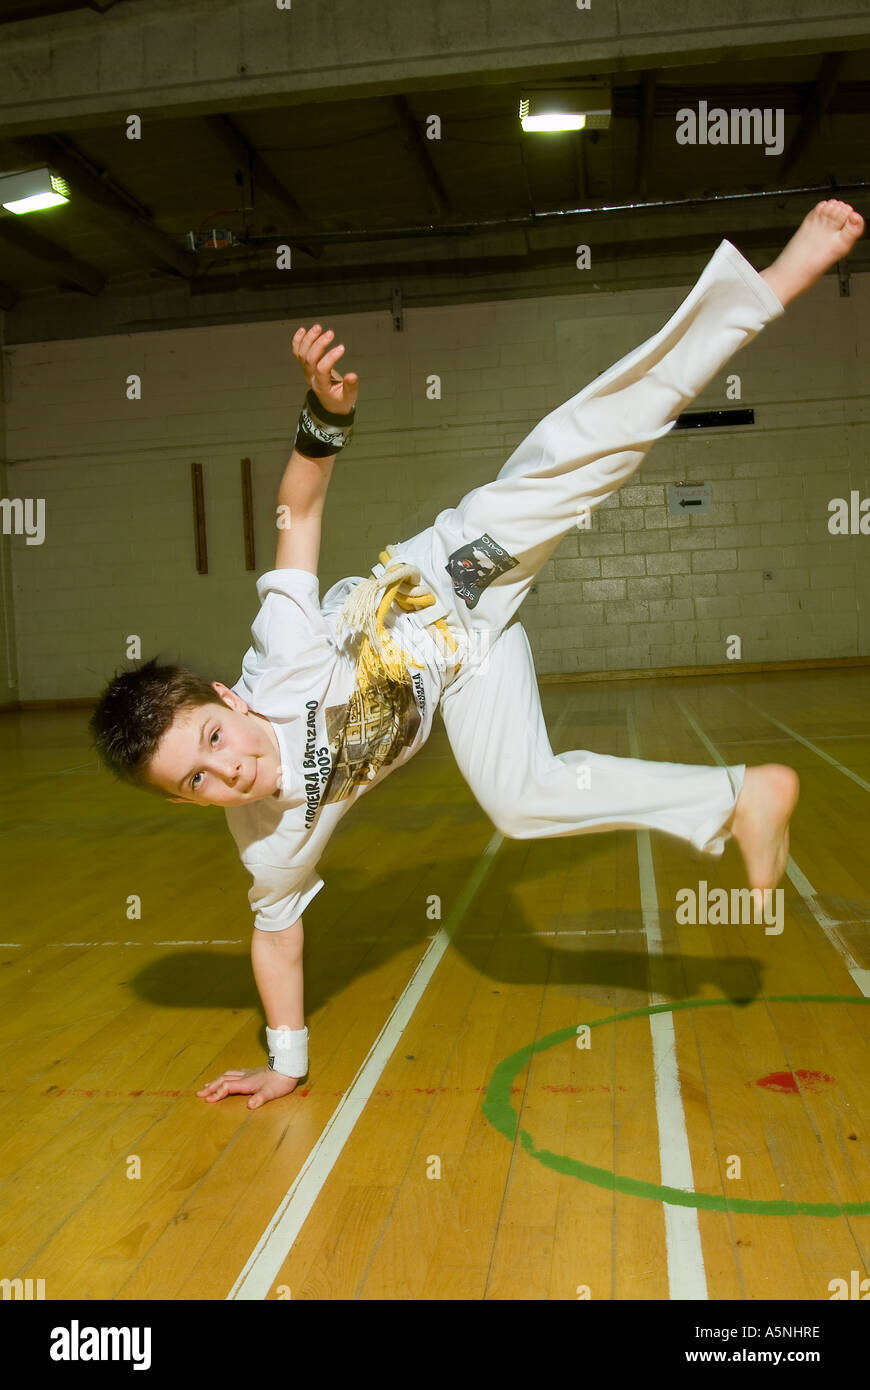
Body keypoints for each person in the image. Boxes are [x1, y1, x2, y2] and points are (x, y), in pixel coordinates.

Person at [88, 199, 864, 1110]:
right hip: (472, 674)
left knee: (587, 450)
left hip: (454, 582)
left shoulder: (283, 654)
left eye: (214, 738)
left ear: (226, 696)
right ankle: (740, 797)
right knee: (523, 801)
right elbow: (276, 939)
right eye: (197, 783)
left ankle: (773, 283)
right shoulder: (271, 847)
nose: (230, 769)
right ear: (189, 803)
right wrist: (287, 1062)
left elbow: (296, 511)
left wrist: (323, 415)